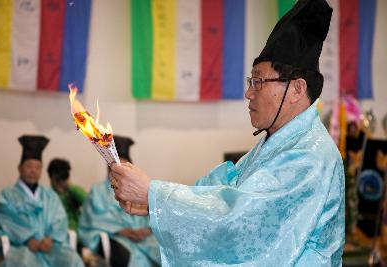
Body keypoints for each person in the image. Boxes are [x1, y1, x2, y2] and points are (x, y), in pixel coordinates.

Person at [110, 0, 345, 266]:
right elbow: (222, 191)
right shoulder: (276, 143)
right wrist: (158, 206)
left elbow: (239, 219)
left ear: (297, 89)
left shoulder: (310, 156)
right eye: (250, 81)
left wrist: (153, 193)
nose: (248, 93)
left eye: (258, 81)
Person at [0, 135, 84, 267]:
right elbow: (8, 222)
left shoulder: (50, 196)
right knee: (23, 263)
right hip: (21, 247)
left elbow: (60, 220)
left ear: (41, 170)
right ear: (19, 167)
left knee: (72, 260)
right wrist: (28, 239)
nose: (33, 171)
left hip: (50, 246)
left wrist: (51, 239)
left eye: (37, 167)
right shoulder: (6, 196)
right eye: (29, 166)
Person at [78, 136, 160, 267]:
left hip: (144, 238)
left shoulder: (139, 189)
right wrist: (122, 231)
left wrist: (147, 230)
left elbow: (153, 213)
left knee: (165, 251)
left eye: (124, 169)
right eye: (116, 169)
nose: (119, 174)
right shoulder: (97, 192)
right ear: (109, 169)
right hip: (117, 237)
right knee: (127, 256)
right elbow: (92, 221)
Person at [48, 158, 87, 231]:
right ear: (51, 177)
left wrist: (70, 187)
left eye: (64, 177)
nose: (61, 181)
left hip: (74, 234)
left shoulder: (72, 192)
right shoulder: (47, 196)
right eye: (57, 179)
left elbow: (88, 203)